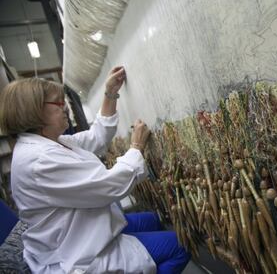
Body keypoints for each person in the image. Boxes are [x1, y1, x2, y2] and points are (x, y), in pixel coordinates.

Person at [0, 67, 190, 274]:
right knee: (181, 245)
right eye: (58, 102)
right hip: (77, 254)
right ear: (34, 111)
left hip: (82, 231)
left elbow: (96, 137)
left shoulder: (51, 143)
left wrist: (110, 93)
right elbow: (110, 187)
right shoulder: (39, 160)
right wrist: (136, 147)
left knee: (151, 219)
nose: (66, 109)